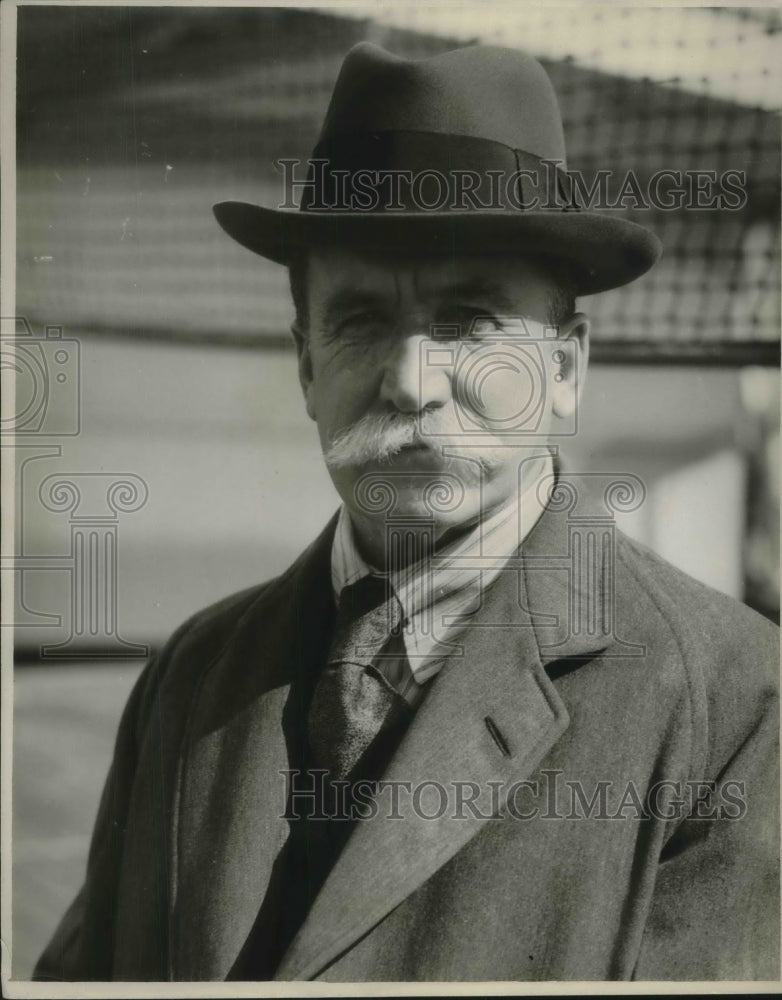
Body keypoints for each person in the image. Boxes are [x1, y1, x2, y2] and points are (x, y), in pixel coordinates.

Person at [35, 41, 778, 983]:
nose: (408, 380)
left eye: (469, 321)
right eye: (360, 321)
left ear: (565, 370)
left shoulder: (738, 709)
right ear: (308, 366)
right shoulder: (189, 677)